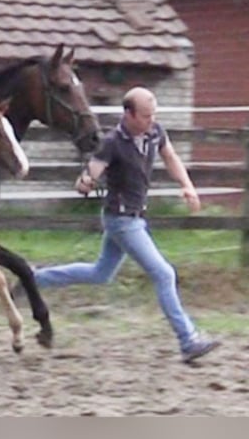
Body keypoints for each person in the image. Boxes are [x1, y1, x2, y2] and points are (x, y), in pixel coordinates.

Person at [31, 87, 220, 363]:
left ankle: (32, 278)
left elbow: (170, 156)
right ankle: (188, 340)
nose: (151, 120)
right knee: (164, 274)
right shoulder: (113, 142)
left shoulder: (155, 132)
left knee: (100, 274)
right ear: (128, 114)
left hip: (134, 217)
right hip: (121, 220)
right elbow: (91, 172)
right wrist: (85, 182)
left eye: (153, 114)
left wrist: (187, 185)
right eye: (145, 115)